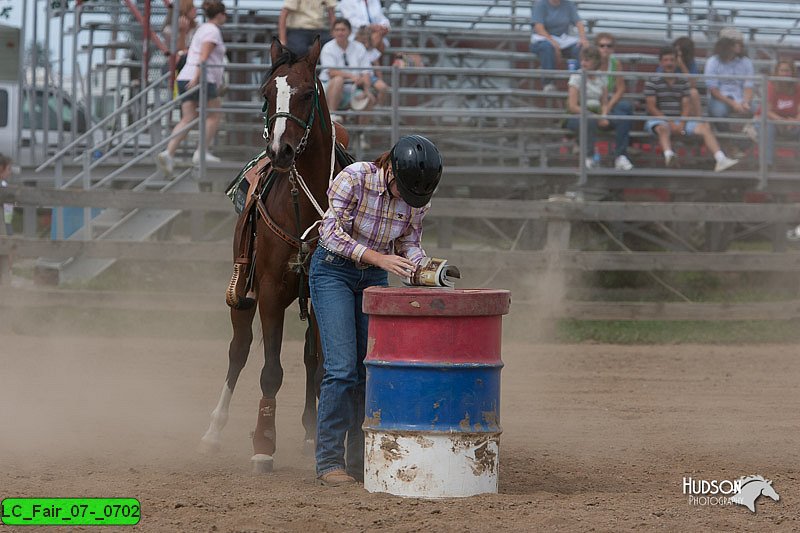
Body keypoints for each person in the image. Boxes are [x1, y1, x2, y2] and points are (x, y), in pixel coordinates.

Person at [310, 135, 443, 486]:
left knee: (366, 368)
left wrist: (427, 270)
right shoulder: (355, 178)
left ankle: (358, 460)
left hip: (373, 274)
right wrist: (378, 258)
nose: (409, 202)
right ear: (392, 172)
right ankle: (328, 461)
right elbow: (330, 234)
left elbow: (409, 244)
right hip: (333, 271)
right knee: (341, 368)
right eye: (406, 192)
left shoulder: (415, 199)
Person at [156, 0, 227, 176]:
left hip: (185, 76)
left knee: (189, 117)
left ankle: (168, 153)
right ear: (220, 15)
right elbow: (203, 58)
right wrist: (197, 77)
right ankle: (201, 152)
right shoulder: (212, 31)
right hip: (201, 78)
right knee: (214, 115)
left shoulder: (202, 29)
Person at [645, 46, 739, 172]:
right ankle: (669, 155)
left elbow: (686, 105)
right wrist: (671, 122)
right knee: (662, 128)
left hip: (680, 120)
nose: (669, 63)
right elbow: (651, 107)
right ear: (661, 62)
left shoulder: (683, 81)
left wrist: (681, 123)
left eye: (672, 60)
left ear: (676, 62)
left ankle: (720, 159)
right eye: (666, 60)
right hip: (658, 120)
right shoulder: (652, 81)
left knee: (705, 127)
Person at [565, 46, 632, 170]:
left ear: (595, 62)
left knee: (622, 117)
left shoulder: (601, 77)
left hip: (598, 112)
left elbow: (604, 102)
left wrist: (603, 116)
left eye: (587, 60)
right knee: (588, 120)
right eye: (582, 60)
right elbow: (572, 106)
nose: (583, 63)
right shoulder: (576, 77)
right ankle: (588, 157)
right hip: (579, 114)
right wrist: (593, 115)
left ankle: (620, 156)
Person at [320, 18, 385, 122]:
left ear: (349, 31)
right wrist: (352, 76)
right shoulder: (328, 47)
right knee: (338, 80)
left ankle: (361, 133)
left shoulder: (358, 47)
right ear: (333, 32)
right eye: (337, 30)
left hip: (352, 89)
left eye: (343, 29)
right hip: (328, 87)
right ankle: (331, 116)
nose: (340, 32)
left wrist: (366, 90)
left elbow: (366, 72)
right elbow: (331, 72)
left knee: (368, 99)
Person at [747, 60, 800, 169]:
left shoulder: (797, 86)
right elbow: (766, 111)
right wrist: (782, 121)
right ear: (777, 72)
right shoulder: (771, 85)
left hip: (791, 122)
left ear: (792, 72)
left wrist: (794, 121)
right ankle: (767, 165)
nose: (785, 73)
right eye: (782, 70)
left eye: (788, 70)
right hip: (773, 120)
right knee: (767, 126)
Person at [529, 0, 589, 91]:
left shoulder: (568, 4)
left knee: (579, 48)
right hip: (542, 39)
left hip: (562, 40)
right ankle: (548, 83)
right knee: (547, 48)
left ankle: (577, 82)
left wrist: (583, 39)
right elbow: (539, 28)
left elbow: (579, 23)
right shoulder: (540, 4)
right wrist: (554, 44)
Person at [704, 28, 754, 137]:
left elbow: (748, 86)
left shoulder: (746, 62)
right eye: (737, 43)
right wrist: (734, 104)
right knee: (718, 112)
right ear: (727, 45)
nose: (740, 45)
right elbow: (714, 90)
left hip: (741, 97)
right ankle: (728, 140)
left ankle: (745, 138)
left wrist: (745, 102)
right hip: (720, 98)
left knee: (758, 109)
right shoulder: (712, 62)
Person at [595, 32, 634, 170]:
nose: (605, 48)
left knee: (625, 108)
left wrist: (608, 106)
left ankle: (621, 155)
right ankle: (621, 155)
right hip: (594, 100)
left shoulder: (615, 63)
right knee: (625, 113)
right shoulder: (591, 63)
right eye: (602, 45)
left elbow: (620, 88)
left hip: (610, 101)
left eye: (609, 46)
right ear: (597, 48)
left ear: (613, 48)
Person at [162, 0, 198, 74]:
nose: (195, 9)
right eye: (191, 7)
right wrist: (182, 32)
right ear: (184, 10)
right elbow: (180, 51)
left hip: (193, 62)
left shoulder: (197, 27)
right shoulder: (168, 30)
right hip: (177, 64)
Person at [0, 154, 13, 236]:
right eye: (8, 169)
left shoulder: (4, 184)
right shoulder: (4, 185)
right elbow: (8, 212)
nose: (10, 172)